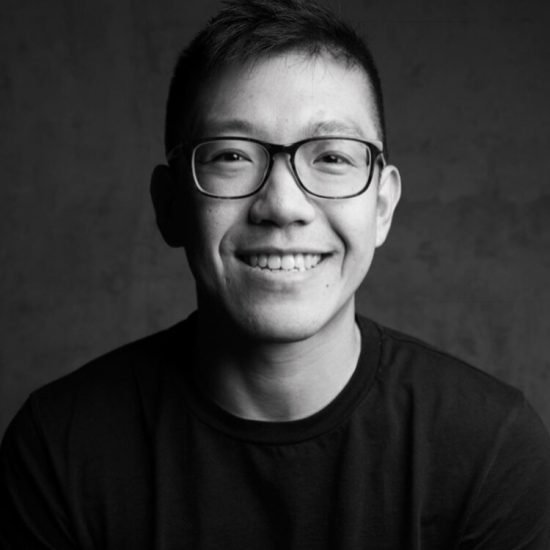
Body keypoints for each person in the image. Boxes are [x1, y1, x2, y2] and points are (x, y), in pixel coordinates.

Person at [2, 0, 550, 548]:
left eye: (332, 157)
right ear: (169, 205)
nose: (283, 205)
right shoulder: (60, 448)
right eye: (233, 156)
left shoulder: (490, 448)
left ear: (382, 206)